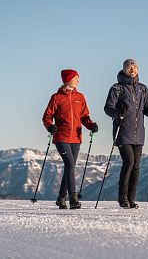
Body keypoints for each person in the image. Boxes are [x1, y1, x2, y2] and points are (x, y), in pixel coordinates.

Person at [104, 59, 148, 208]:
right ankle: (122, 198)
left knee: (136, 166)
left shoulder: (143, 89)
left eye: (135, 67)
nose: (132, 70)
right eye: (130, 67)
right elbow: (108, 108)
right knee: (129, 162)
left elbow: (147, 110)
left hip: (139, 133)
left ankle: (131, 199)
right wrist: (118, 113)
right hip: (122, 131)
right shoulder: (117, 88)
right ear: (124, 69)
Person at [42, 69, 98, 209]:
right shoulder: (56, 97)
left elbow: (84, 117)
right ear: (68, 80)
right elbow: (47, 117)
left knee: (70, 167)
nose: (78, 81)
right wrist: (50, 127)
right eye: (76, 78)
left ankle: (61, 198)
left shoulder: (80, 97)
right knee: (70, 164)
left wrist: (91, 125)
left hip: (76, 138)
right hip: (61, 136)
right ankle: (73, 198)